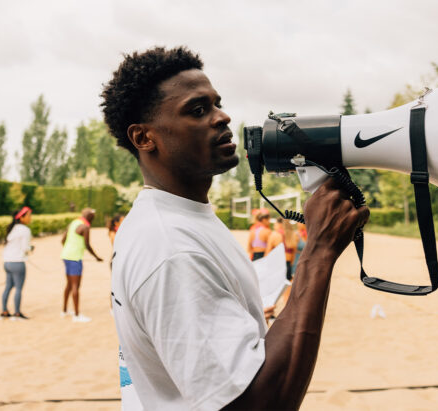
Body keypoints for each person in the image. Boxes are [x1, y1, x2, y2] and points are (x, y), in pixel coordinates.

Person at [102, 46, 368, 410]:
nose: (222, 117)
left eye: (217, 104)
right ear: (144, 138)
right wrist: (318, 252)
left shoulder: (177, 218)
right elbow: (256, 404)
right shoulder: (170, 248)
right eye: (197, 110)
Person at [60, 208, 104, 322]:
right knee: (75, 286)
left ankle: (64, 311)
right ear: (90, 218)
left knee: (69, 284)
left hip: (66, 256)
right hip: (75, 258)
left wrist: (69, 249)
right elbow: (87, 244)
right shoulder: (85, 227)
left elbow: (63, 240)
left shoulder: (74, 222)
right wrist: (97, 257)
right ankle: (76, 315)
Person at [0, 207, 33, 320]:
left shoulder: (13, 228)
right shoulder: (25, 230)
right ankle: (17, 313)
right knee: (18, 288)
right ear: (22, 217)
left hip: (7, 261)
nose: (30, 218)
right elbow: (25, 247)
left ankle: (4, 310)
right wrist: (31, 248)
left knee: (8, 286)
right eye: (28, 215)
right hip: (18, 262)